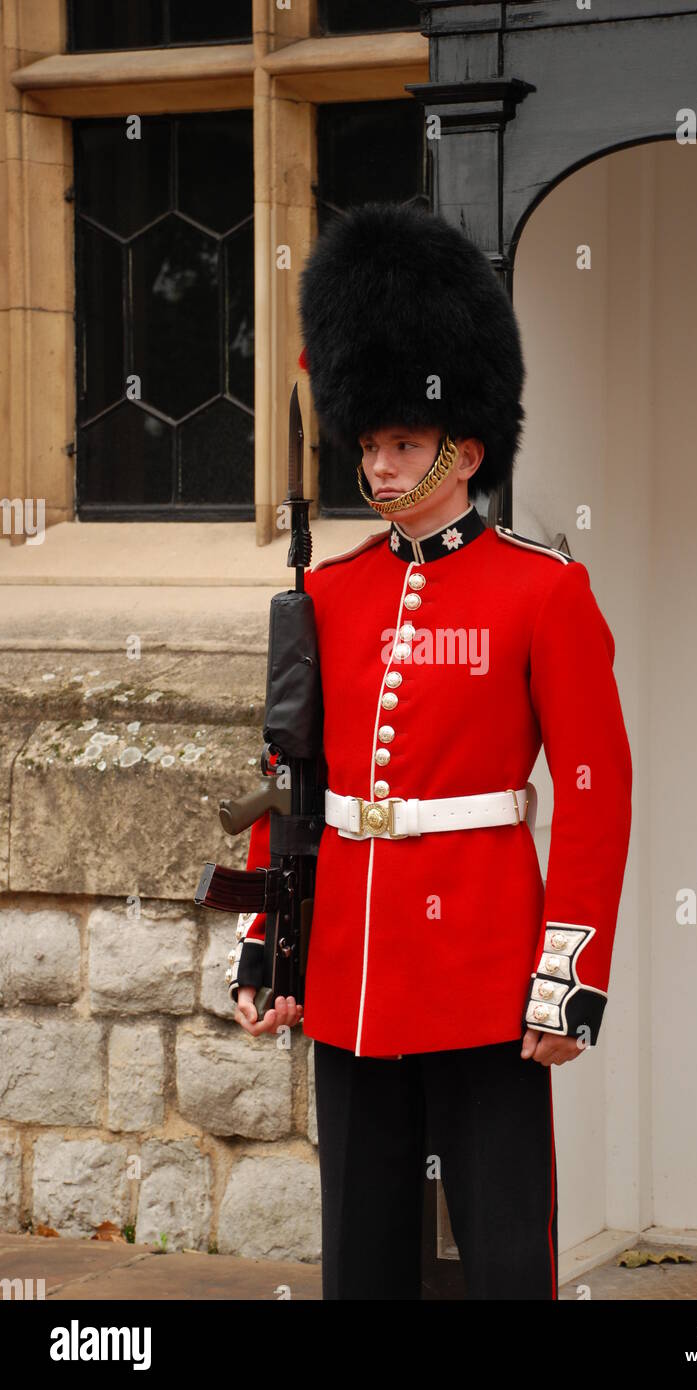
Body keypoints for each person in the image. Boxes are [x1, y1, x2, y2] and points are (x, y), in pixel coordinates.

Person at [226, 200, 633, 1299]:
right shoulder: (329, 594)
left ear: (464, 445)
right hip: (355, 966)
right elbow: (293, 782)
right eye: (370, 442)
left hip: (488, 965)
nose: (381, 464)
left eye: (402, 442)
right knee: (362, 1250)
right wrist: (271, 939)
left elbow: (595, 788)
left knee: (504, 1245)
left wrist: (570, 972)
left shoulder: (543, 590)